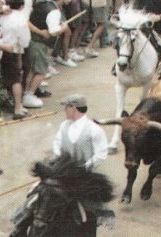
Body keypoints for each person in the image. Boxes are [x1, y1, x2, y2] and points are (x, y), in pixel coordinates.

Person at [52, 93, 109, 236]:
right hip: (63, 174)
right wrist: (61, 162)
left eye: (66, 107)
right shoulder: (64, 125)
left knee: (88, 212)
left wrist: (85, 166)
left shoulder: (94, 130)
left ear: (74, 108)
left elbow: (101, 153)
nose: (64, 110)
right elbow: (57, 144)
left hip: (84, 178)